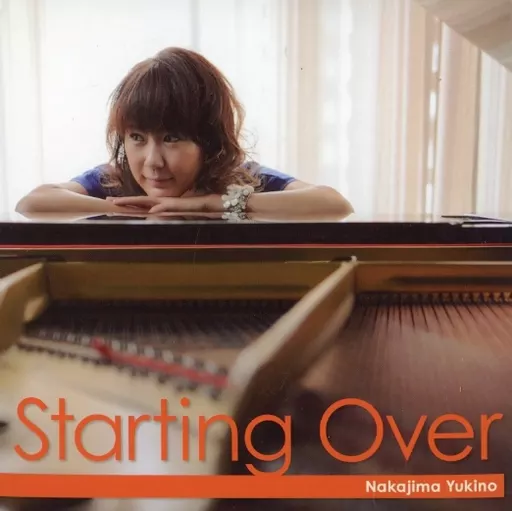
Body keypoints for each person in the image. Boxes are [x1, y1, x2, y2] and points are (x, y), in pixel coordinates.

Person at [15, 47, 353, 219]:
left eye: (171, 138)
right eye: (137, 138)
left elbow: (333, 203)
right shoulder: (112, 181)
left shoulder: (242, 178)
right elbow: (33, 202)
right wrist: (130, 209)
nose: (152, 162)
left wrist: (208, 204)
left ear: (210, 139)